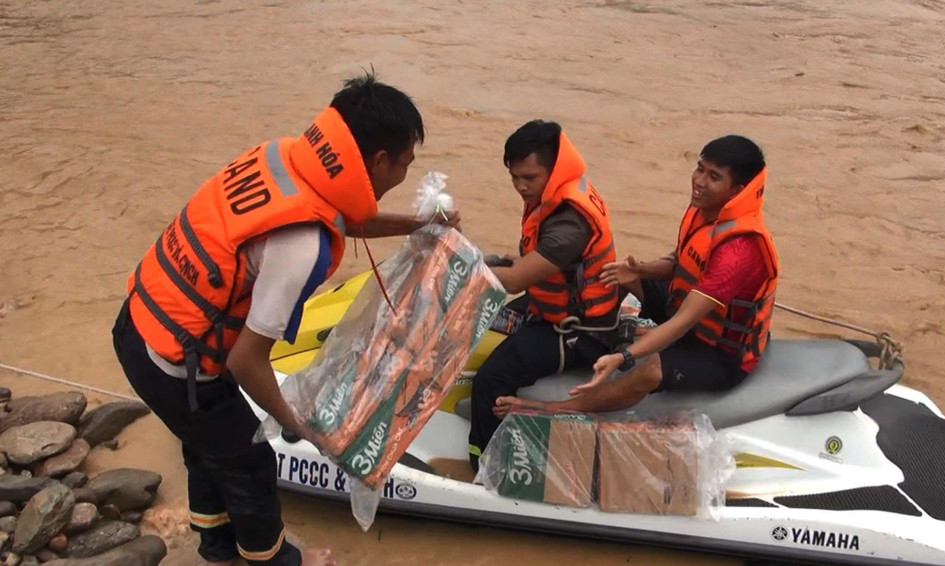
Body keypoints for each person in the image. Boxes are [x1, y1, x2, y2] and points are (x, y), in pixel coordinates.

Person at [112, 73, 458, 566]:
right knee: (251, 461)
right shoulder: (301, 245)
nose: (405, 173)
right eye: (405, 164)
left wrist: (419, 224)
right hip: (172, 361)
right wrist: (300, 423)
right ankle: (278, 560)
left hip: (139, 319)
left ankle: (216, 550)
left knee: (209, 444)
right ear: (379, 161)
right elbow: (246, 360)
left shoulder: (288, 157)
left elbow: (341, 215)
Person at [493, 135, 778, 417]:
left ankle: (555, 408)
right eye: (700, 168)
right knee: (617, 274)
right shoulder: (707, 210)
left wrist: (625, 356)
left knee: (650, 370)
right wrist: (639, 270)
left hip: (719, 353)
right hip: (689, 314)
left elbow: (683, 322)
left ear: (737, 190)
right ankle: (594, 337)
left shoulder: (739, 251)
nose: (700, 181)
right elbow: (680, 260)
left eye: (714, 177)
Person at [468, 120, 618, 470]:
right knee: (482, 319)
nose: (520, 186)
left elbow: (519, 278)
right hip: (558, 304)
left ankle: (485, 465)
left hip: (580, 332)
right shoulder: (555, 194)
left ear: (553, 170)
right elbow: (533, 263)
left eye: (529, 178)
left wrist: (462, 272)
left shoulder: (569, 222)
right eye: (514, 177)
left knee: (490, 378)